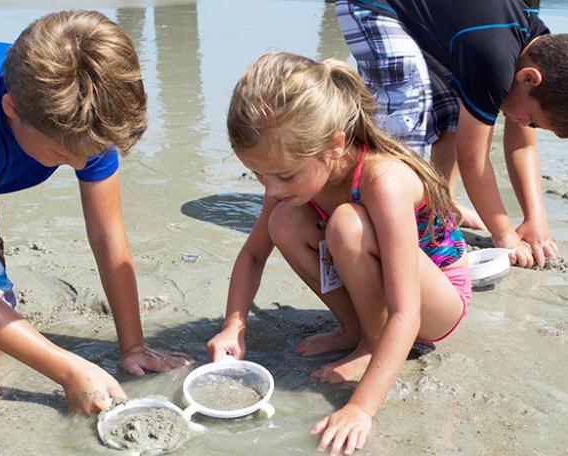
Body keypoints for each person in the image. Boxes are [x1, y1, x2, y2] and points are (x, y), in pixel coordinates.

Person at [0, 10, 191, 414]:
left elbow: (107, 236)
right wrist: (67, 370)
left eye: (91, 154)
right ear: (11, 107)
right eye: (62, 154)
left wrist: (133, 344)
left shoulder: (87, 118)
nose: (82, 165)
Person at [207, 52, 471, 455]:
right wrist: (233, 326)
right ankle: (355, 330)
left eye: (283, 176)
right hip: (390, 287)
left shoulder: (384, 180)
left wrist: (360, 409)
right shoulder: (286, 176)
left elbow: (407, 311)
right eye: (259, 174)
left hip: (437, 295)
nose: (271, 187)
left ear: (333, 146)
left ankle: (370, 343)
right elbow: (253, 255)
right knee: (283, 220)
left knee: (347, 225)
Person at [334, 0, 564, 268]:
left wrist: (535, 218)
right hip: (373, 7)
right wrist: (504, 234)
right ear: (528, 78)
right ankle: (390, 212)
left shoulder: (540, 50)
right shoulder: (495, 59)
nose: (525, 124)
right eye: (533, 120)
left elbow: (522, 147)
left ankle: (436, 206)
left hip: (419, 20)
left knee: (459, 108)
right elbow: (472, 159)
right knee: (407, 114)